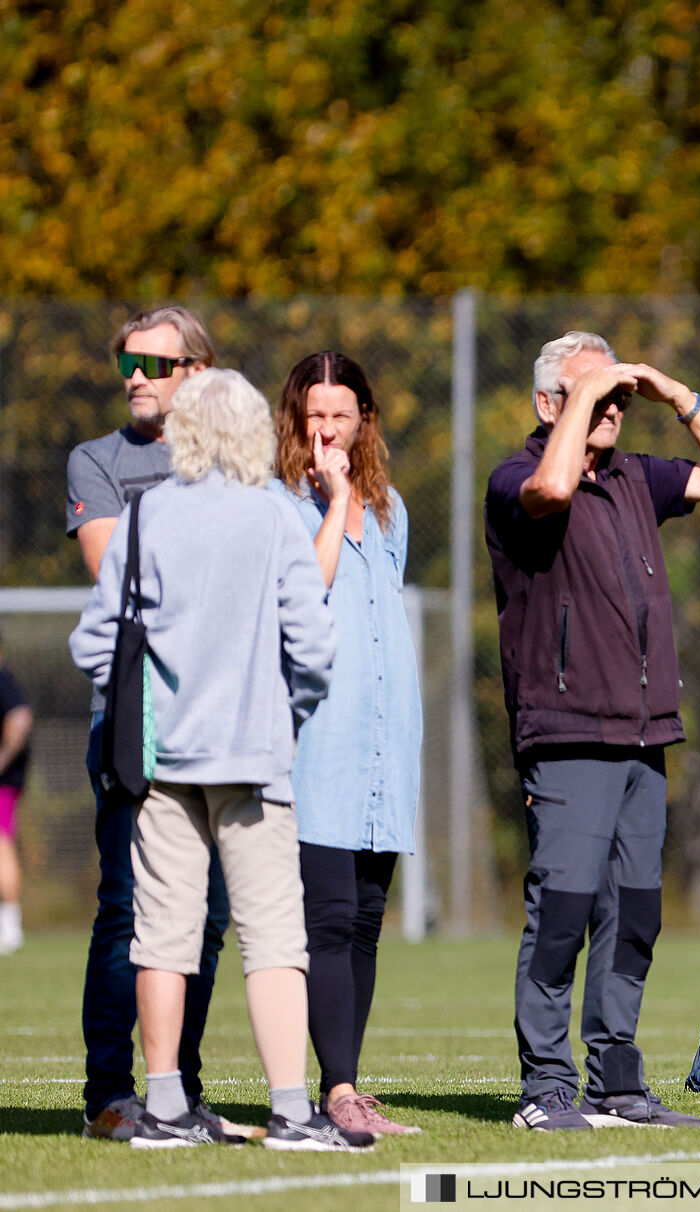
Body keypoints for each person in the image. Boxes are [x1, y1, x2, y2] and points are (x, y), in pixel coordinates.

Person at [69, 369, 365, 1149]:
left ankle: (163, 1107)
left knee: (159, 936)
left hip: (162, 766)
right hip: (256, 760)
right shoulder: (272, 518)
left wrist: (152, 707)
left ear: (182, 434)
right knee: (273, 938)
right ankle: (294, 1111)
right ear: (255, 434)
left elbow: (94, 641)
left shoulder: (144, 518)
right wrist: (285, 714)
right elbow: (314, 645)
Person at [486, 331, 700, 1131]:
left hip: (645, 736)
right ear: (548, 404)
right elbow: (554, 487)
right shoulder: (518, 479)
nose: (610, 409)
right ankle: (545, 1090)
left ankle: (617, 1084)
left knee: (634, 915)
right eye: (588, 396)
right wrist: (585, 395)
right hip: (568, 732)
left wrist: (673, 394)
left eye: (615, 400)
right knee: (562, 914)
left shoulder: (638, 478)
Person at [63, 305, 233, 1140]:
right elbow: (117, 577)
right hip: (135, 722)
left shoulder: (236, 468)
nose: (134, 374)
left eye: (154, 363)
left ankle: (180, 1090)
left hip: (227, 727)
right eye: (127, 360)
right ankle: (110, 1094)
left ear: (197, 374)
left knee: (207, 917)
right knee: (128, 909)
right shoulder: (95, 461)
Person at [270, 352, 423, 1137]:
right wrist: (333, 501)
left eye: (342, 413)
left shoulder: (390, 507)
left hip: (384, 748)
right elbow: (311, 586)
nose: (327, 427)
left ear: (365, 418)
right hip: (319, 745)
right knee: (326, 919)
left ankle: (348, 1082)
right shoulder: (280, 503)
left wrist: (356, 498)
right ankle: (335, 1093)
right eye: (315, 414)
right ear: (295, 419)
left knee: (365, 920)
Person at [0, 628, 31, 955]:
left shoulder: (2, 679)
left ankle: (10, 924)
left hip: (4, 783)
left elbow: (20, 718)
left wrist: (3, 759)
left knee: (1, 841)